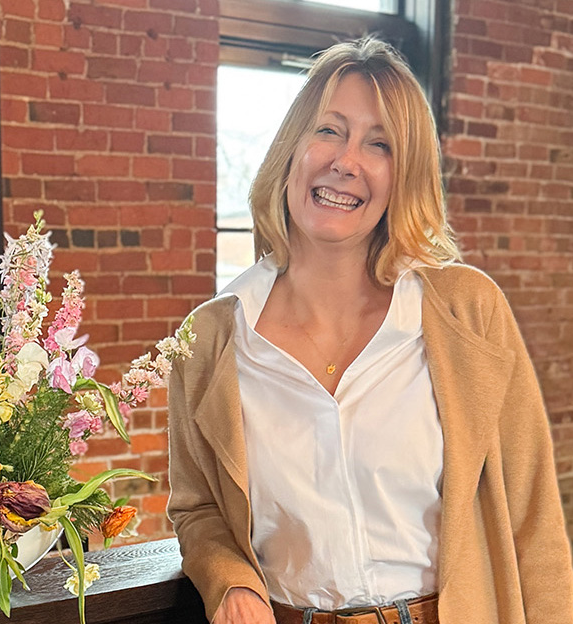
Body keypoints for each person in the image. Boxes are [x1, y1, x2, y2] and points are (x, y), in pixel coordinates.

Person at [167, 37, 573, 624]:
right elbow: (197, 508)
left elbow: (534, 521)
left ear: (401, 176)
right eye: (328, 130)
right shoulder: (208, 340)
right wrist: (229, 582)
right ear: (292, 149)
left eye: (378, 143)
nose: (345, 160)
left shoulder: (468, 312)